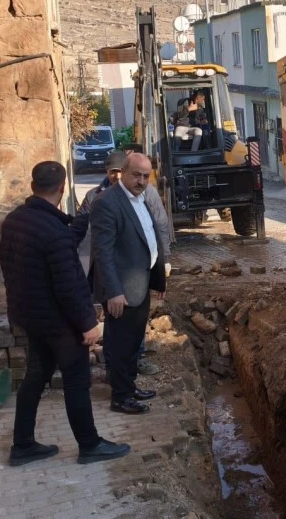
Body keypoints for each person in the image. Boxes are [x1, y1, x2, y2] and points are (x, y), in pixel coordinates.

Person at [0, 161, 131, 466]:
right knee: (76, 381)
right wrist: (87, 325)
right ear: (62, 188)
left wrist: (77, 225)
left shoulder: (15, 220)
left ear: (33, 186)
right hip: (57, 322)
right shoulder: (53, 232)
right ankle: (90, 444)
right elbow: (67, 284)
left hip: (29, 316)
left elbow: (32, 260)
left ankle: (23, 445)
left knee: (35, 376)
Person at [90, 153, 172, 414]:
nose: (141, 181)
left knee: (133, 340)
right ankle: (121, 397)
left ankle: (129, 385)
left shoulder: (140, 199)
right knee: (120, 344)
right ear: (123, 172)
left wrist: (158, 277)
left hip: (140, 283)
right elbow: (102, 252)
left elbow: (150, 238)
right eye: (136, 175)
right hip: (122, 291)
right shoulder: (108, 202)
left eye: (146, 176)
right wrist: (113, 291)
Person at [78, 150, 127, 216]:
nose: (118, 176)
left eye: (121, 171)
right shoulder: (92, 196)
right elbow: (80, 222)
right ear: (107, 171)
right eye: (113, 171)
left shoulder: (137, 194)